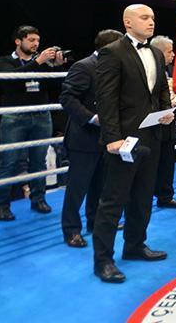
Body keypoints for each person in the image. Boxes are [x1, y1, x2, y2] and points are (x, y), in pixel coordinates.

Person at [92, 4, 174, 284]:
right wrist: (112, 138)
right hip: (123, 140)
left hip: (152, 136)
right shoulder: (112, 52)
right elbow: (106, 99)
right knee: (113, 200)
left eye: (153, 17)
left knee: (143, 196)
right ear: (127, 22)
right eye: (144, 17)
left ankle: (135, 245)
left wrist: (165, 112)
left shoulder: (156, 53)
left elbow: (161, 89)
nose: (151, 22)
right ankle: (103, 260)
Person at [0, 25, 66, 221]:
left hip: (41, 116)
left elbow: (57, 86)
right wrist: (38, 62)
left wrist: (57, 66)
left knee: (39, 161)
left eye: (38, 41)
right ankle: (1, 206)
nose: (36, 44)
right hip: (15, 118)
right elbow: (12, 82)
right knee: (9, 162)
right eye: (31, 40)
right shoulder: (5, 61)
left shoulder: (41, 62)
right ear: (18, 41)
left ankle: (38, 199)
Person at [59, 29, 123, 247]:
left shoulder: (113, 68)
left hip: (106, 137)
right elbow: (67, 98)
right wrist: (92, 118)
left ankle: (95, 222)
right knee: (77, 187)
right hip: (84, 138)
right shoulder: (84, 66)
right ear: (109, 47)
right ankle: (71, 230)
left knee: (100, 184)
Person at [150, 35, 176, 208]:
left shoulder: (172, 70)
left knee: (167, 162)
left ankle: (165, 197)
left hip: (169, 122)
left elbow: (175, 93)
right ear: (158, 52)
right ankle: (143, 199)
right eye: (169, 52)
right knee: (149, 165)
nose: (173, 55)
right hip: (150, 125)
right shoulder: (147, 71)